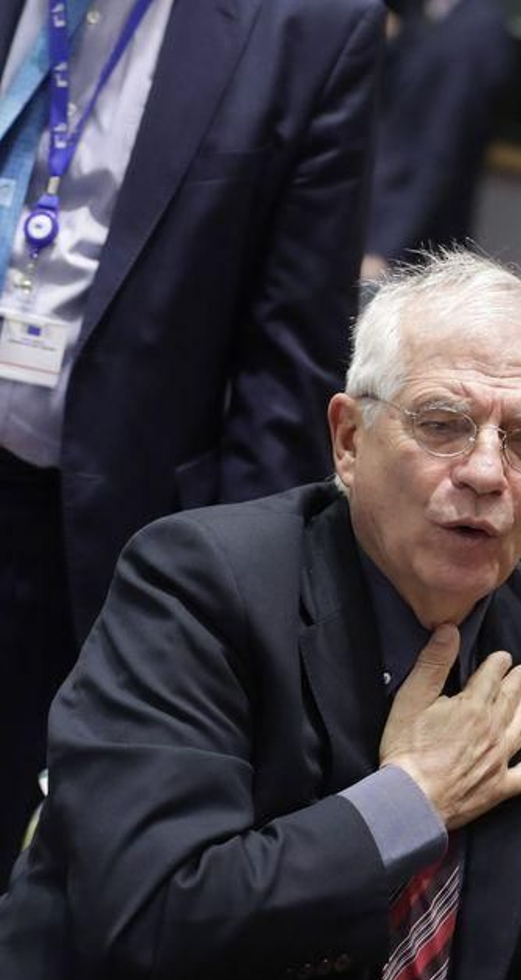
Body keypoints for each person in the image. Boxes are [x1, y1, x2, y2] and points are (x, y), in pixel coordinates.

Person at [0, 249, 521, 980]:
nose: (487, 472)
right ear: (349, 438)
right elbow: (154, 917)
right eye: (444, 423)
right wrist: (409, 800)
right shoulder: (202, 587)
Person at [0, 0, 384, 878]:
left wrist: (219, 614)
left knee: (64, 900)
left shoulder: (308, 28)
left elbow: (286, 376)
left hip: (113, 544)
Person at [362, 0, 517, 281]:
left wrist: (386, 249)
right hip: (382, 222)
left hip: (411, 246)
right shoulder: (426, 15)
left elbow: (439, 151)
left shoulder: (477, 29)